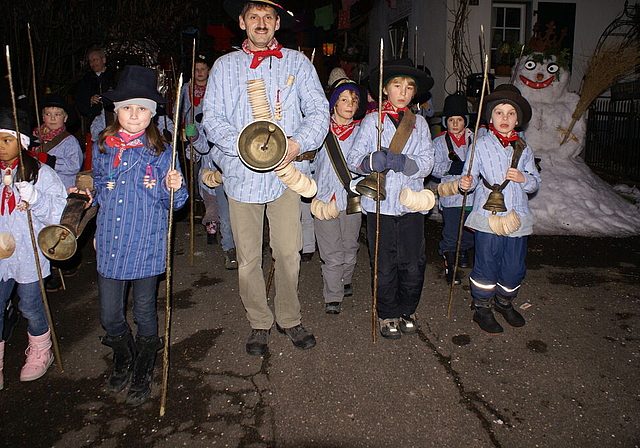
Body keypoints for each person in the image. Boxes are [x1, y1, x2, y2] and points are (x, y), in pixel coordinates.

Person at [204, 0, 329, 356]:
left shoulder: (298, 63)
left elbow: (319, 111)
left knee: (289, 252)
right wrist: (245, 146)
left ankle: (289, 318)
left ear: (277, 24)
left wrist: (297, 143)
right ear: (242, 22)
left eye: (268, 18)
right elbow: (212, 118)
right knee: (247, 258)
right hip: (242, 175)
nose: (261, 23)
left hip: (285, 174)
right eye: (254, 17)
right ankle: (259, 321)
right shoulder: (224, 66)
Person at [93, 65, 187, 405]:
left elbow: (175, 202)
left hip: (145, 243)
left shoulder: (161, 153)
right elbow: (101, 191)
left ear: (152, 114)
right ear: (116, 111)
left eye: (142, 108)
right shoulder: (103, 147)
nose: (134, 115)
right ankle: (124, 356)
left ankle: (145, 364)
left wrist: (173, 187)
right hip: (109, 242)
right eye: (127, 108)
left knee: (144, 311)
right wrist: (88, 197)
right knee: (109, 315)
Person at [347, 58, 435, 340]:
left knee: (413, 262)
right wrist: (370, 160)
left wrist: (402, 162)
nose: (403, 91)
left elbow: (428, 163)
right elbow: (352, 160)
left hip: (410, 204)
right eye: (396, 85)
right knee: (384, 264)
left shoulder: (419, 123)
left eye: (409, 87)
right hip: (380, 206)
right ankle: (387, 313)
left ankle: (408, 308)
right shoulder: (373, 121)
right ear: (385, 90)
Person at [458, 85, 540, 335]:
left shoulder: (524, 148)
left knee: (514, 265)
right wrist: (465, 184)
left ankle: (504, 302)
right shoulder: (479, 145)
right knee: (487, 263)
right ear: (491, 117)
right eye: (499, 113)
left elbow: (535, 181)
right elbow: (467, 177)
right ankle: (482, 307)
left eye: (510, 113)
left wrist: (524, 179)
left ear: (518, 119)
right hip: (488, 215)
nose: (505, 118)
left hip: (517, 216)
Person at [0, 107, 68, 388]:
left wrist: (35, 197)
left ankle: (41, 349)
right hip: (2, 254)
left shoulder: (41, 173)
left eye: (7, 140)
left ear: (22, 141)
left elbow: (58, 215)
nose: (1, 147)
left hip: (29, 252)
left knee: (30, 303)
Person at [312, 78, 363, 314]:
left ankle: (345, 279)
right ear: (334, 104)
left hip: (352, 199)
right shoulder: (319, 132)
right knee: (331, 252)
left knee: (350, 248)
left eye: (353, 100)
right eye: (344, 99)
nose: (349, 104)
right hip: (324, 199)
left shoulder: (365, 133)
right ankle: (333, 296)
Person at [181, 53, 237, 268]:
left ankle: (238, 244)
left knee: (236, 212)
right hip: (210, 166)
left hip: (232, 168)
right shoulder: (188, 91)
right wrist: (192, 136)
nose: (201, 72)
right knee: (216, 205)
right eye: (197, 69)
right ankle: (225, 242)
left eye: (204, 68)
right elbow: (203, 146)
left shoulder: (222, 95)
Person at [32, 93, 84, 292]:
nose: (52, 118)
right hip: (40, 191)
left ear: (65, 118)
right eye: (48, 114)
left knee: (56, 228)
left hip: (62, 189)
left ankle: (56, 266)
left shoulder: (68, 141)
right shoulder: (36, 139)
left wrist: (51, 161)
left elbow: (74, 165)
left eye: (57, 114)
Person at [431, 93, 475, 285]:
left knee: (469, 229)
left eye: (459, 120)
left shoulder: (476, 140)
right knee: (451, 230)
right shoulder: (439, 142)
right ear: (445, 122)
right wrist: (450, 168)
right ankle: (450, 261)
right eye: (451, 120)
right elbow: (432, 167)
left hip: (473, 196)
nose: (455, 124)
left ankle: (463, 249)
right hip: (450, 196)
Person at [75, 48, 116, 124]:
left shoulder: (114, 76)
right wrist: (89, 101)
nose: (93, 63)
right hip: (95, 119)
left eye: (95, 60)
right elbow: (80, 100)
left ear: (103, 60)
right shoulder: (86, 80)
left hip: (114, 118)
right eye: (90, 61)